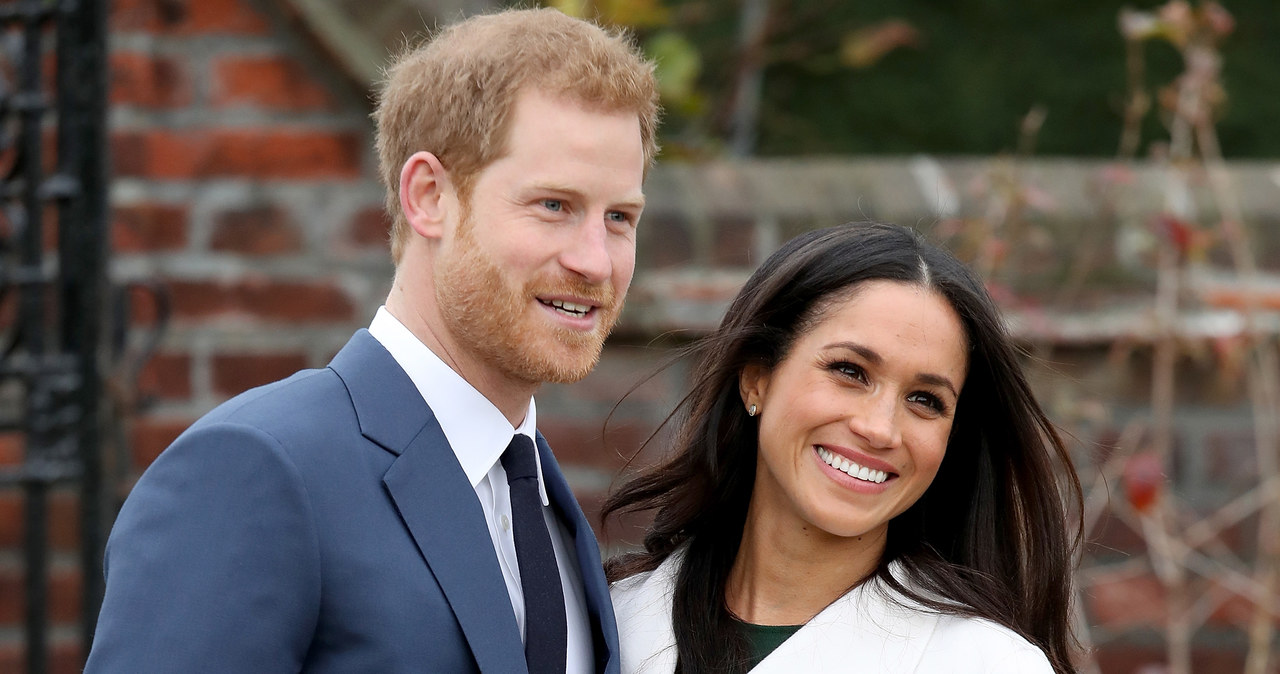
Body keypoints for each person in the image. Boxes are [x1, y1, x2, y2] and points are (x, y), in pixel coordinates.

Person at [86, 8, 659, 673]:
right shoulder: (257, 468)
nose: (596, 260)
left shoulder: (543, 504)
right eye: (554, 205)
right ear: (428, 196)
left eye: (620, 217)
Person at [605, 223, 1083, 673]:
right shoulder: (605, 623)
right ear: (757, 379)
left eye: (925, 400)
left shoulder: (987, 663)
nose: (880, 429)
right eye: (850, 371)